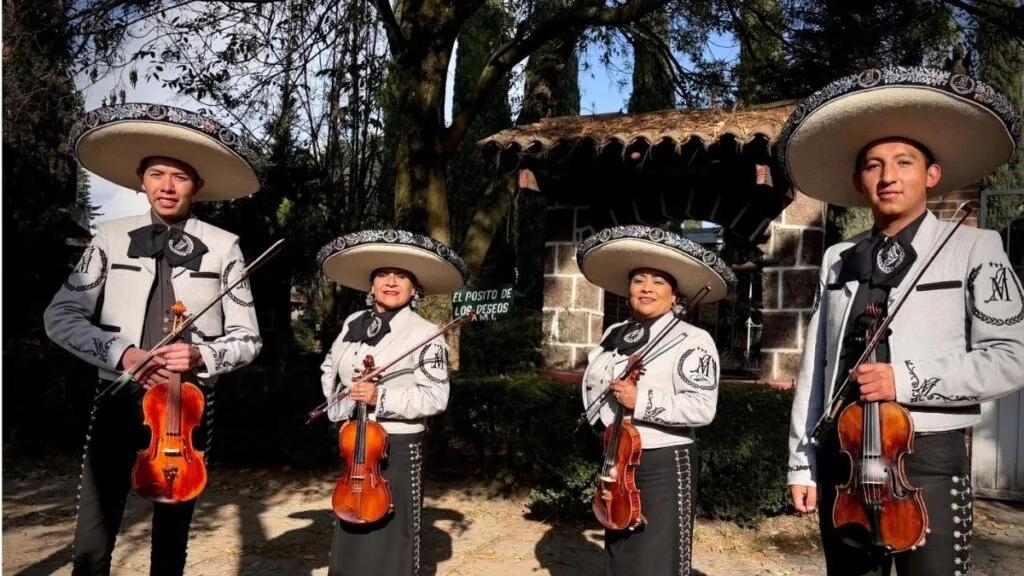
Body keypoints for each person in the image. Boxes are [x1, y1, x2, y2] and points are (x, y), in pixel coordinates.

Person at [780, 66, 1024, 575]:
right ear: (858, 181)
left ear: (931, 175)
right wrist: (802, 462)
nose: (888, 176)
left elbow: (1011, 357)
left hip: (927, 459)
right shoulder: (839, 258)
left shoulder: (976, 249)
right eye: (873, 165)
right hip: (843, 459)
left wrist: (904, 379)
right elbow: (816, 368)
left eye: (904, 162)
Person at [44, 103, 264, 576]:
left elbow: (248, 338)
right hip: (118, 394)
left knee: (172, 533)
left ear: (197, 187)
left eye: (180, 177)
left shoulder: (225, 245)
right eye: (157, 174)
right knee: (95, 526)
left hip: (187, 403)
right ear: (140, 181)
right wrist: (120, 353)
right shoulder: (107, 236)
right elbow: (60, 315)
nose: (167, 186)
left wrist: (202, 353)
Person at [577, 225, 736, 575]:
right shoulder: (615, 334)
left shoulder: (692, 340)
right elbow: (594, 385)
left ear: (675, 294)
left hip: (664, 463)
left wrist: (641, 400)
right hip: (616, 458)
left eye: (658, 281)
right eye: (639, 280)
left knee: (656, 560)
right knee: (621, 555)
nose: (646, 288)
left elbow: (702, 407)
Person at [316, 229, 468, 576]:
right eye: (383, 274)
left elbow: (435, 396)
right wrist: (340, 404)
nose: (391, 282)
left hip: (396, 445)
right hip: (356, 442)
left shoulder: (426, 333)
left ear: (416, 289)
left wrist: (379, 397)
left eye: (402, 276)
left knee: (391, 535)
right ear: (371, 285)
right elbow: (329, 365)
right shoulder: (353, 322)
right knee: (351, 523)